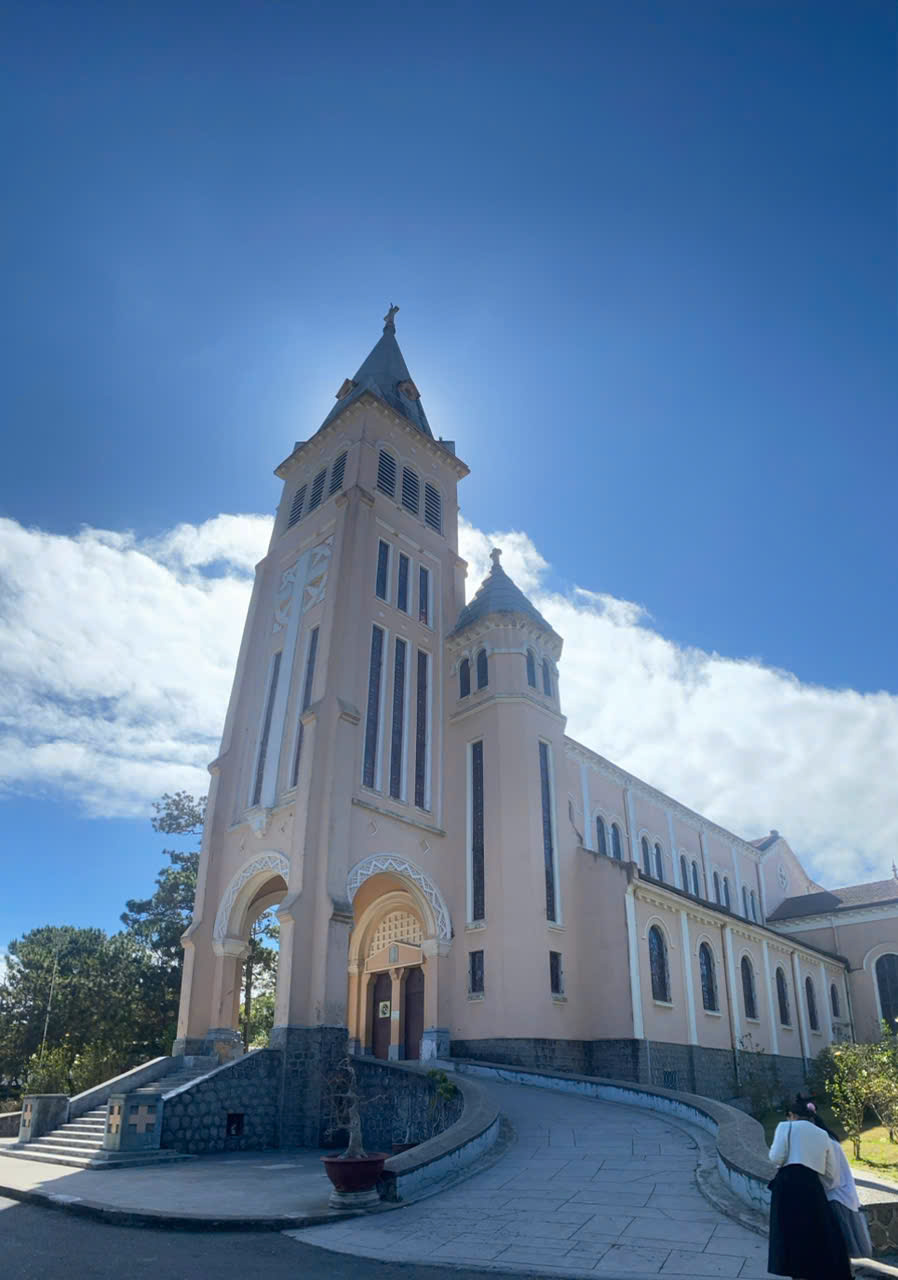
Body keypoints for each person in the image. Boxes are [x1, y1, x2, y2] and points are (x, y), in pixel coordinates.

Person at [767, 1096, 853, 1280]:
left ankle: (795, 1270)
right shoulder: (822, 1134)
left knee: (789, 1232)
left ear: (792, 1114)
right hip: (811, 1185)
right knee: (814, 1230)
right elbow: (831, 1173)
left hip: (787, 1185)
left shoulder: (784, 1127)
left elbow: (775, 1158)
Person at [802, 1099, 873, 1258]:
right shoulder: (829, 1139)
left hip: (836, 1198)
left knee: (843, 1247)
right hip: (843, 1195)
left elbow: (830, 1178)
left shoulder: (824, 1143)